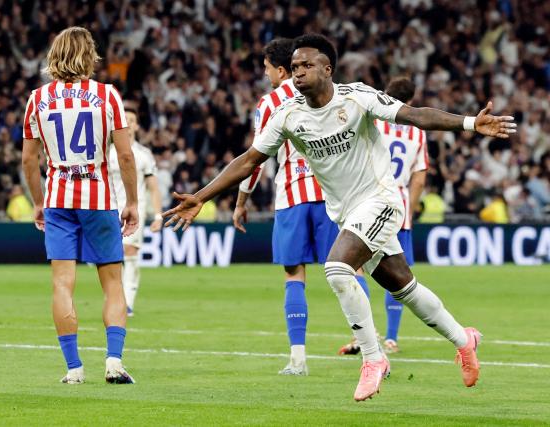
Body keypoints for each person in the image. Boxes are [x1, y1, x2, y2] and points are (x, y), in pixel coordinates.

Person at [164, 34, 516, 401]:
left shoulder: (357, 97)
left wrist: (470, 124)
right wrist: (200, 197)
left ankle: (373, 358)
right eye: (295, 67)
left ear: (327, 69)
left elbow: (414, 115)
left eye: (307, 65)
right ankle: (464, 339)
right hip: (346, 212)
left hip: (380, 200)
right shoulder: (288, 115)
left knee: (335, 268)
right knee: (403, 287)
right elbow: (249, 160)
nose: (298, 73)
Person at [233, 38, 371, 375]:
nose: (266, 76)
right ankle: (372, 353)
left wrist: (241, 201)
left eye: (267, 69)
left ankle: (298, 359)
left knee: (294, 274)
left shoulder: (270, 103)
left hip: (292, 197)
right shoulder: (330, 92)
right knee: (352, 269)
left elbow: (255, 159)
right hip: (331, 196)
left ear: (279, 70)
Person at [21, 27, 139, 385]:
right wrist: (132, 201)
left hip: (57, 199)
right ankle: (114, 362)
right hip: (99, 198)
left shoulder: (37, 99)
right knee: (113, 283)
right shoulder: (106, 96)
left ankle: (73, 369)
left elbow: (29, 160)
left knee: (62, 284)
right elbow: (124, 155)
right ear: (90, 56)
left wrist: (38, 202)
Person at [339, 77, 429, 355]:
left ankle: (365, 336)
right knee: (398, 275)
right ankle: (391, 338)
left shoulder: (373, 118)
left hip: (368, 199)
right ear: (410, 101)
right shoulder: (417, 132)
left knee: (354, 268)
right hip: (398, 205)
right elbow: (419, 177)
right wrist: (410, 212)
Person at [109, 107, 163, 317]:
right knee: (110, 257)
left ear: (137, 126)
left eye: (132, 120)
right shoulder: (108, 152)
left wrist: (157, 215)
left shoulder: (143, 154)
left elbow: (153, 187)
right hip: (109, 209)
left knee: (129, 251)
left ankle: (127, 302)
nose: (129, 124)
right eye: (125, 120)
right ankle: (117, 297)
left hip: (134, 211)